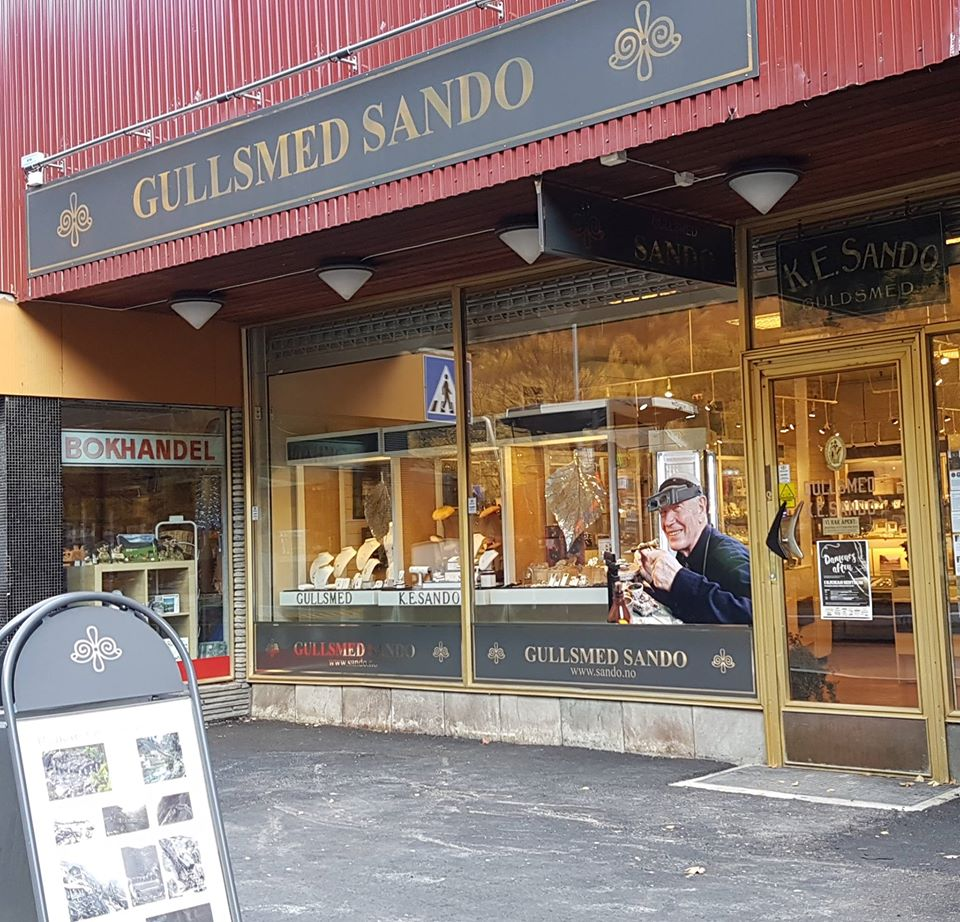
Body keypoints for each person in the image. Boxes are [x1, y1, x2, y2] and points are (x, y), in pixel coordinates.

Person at [638, 477, 752, 625]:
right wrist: (653, 582)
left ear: (701, 506)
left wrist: (679, 579)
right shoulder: (684, 557)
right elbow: (692, 607)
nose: (667, 522)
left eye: (677, 508)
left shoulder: (727, 555)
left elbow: (754, 613)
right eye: (663, 512)